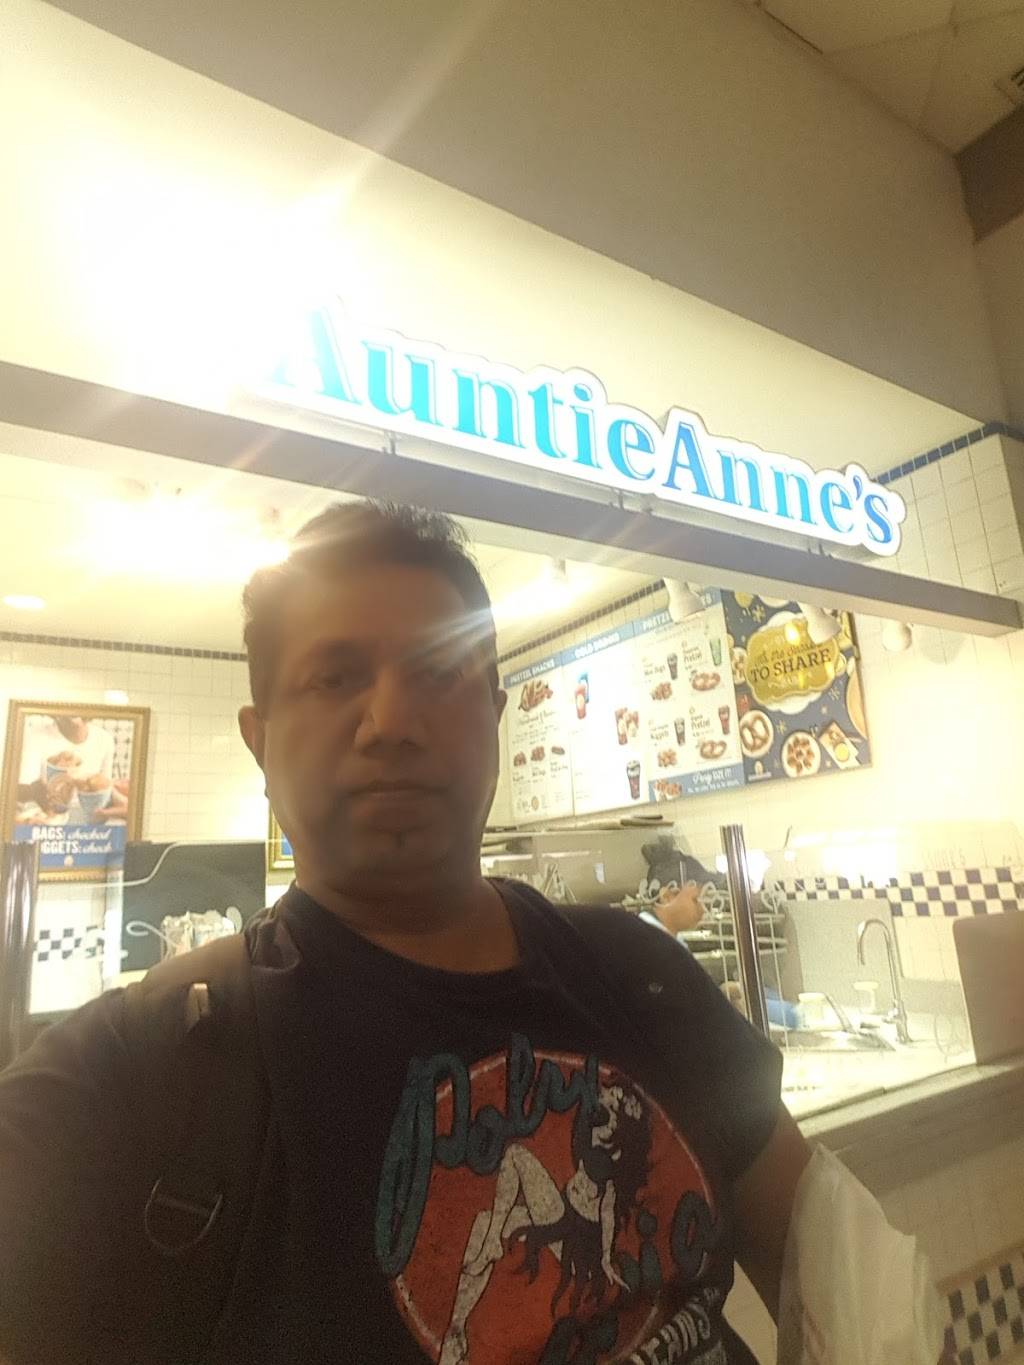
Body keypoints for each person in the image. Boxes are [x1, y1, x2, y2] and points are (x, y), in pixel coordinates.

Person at [0, 502, 812, 1365]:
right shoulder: (137, 1073)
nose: (390, 720)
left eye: (438, 672)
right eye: (334, 676)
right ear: (260, 740)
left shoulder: (642, 973)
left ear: (494, 715)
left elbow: (837, 1282)